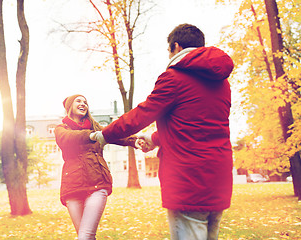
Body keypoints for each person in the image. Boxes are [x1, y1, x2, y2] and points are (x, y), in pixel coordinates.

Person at [91, 24, 234, 239]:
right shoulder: (222, 82)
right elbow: (196, 126)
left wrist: (105, 135)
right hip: (218, 177)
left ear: (175, 46)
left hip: (188, 180)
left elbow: (142, 114)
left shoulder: (174, 78)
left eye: (168, 49)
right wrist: (153, 138)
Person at [54, 94, 142, 240]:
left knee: (85, 236)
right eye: (78, 101)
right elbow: (67, 138)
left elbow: (113, 135)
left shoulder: (96, 128)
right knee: (85, 236)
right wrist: (92, 136)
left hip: (97, 183)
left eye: (85, 102)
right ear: (70, 106)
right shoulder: (61, 129)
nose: (83, 104)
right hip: (73, 187)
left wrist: (133, 141)